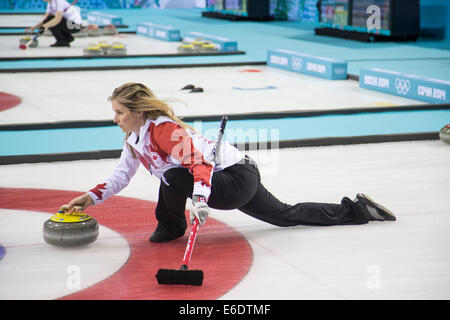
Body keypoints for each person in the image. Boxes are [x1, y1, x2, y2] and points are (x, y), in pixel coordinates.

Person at [60, 82, 396, 243]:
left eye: (119, 112)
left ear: (139, 111)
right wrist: (91, 197)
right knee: (284, 215)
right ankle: (357, 210)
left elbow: (198, 168)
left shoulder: (164, 131)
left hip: (235, 177)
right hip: (229, 178)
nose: (115, 118)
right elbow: (121, 174)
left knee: (174, 176)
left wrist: (201, 200)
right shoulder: (134, 140)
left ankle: (172, 223)